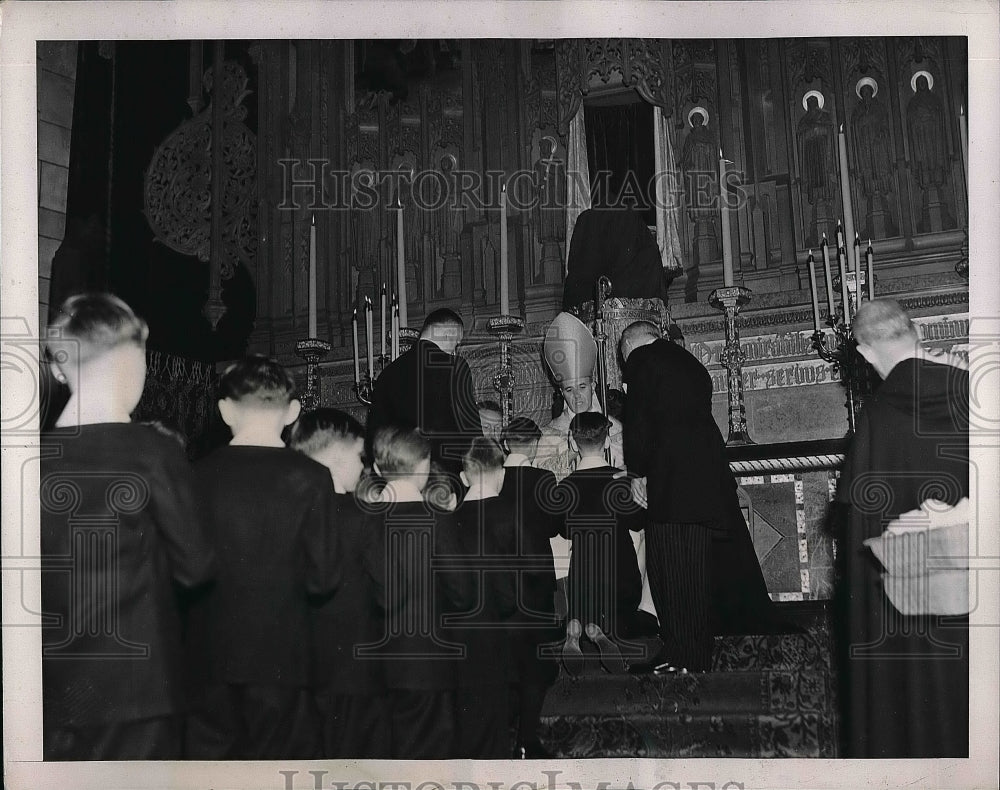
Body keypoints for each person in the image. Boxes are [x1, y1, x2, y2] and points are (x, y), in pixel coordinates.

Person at [40, 293, 215, 761]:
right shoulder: (152, 451)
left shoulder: (27, 460)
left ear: (60, 369)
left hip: (47, 692)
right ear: (133, 362)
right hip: (140, 691)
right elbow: (196, 567)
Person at [185, 356, 341, 760]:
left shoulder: (196, 475)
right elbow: (324, 579)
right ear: (293, 412)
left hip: (207, 659)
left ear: (224, 410)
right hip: (284, 660)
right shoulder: (311, 478)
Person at [834, 298, 969, 758]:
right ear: (918, 332)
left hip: (906, 606)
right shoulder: (973, 393)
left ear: (865, 353)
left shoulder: (876, 416)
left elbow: (860, 533)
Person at [620, 320, 776, 672]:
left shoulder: (642, 360)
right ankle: (694, 655)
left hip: (671, 484)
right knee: (695, 574)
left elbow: (639, 419)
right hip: (708, 482)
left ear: (630, 345)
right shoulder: (690, 363)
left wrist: (636, 472)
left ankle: (683, 658)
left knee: (673, 576)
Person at [361, 425, 469, 759]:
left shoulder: (361, 520)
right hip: (428, 663)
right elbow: (463, 594)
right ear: (424, 467)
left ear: (378, 470)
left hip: (368, 666)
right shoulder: (437, 519)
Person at [288, 408, 388, 759]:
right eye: (358, 457)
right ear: (334, 456)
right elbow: (388, 591)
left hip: (299, 665)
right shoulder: (363, 517)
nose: (363, 467)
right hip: (356, 667)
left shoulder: (287, 512)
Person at [443, 438, 518, 758]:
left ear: (462, 478)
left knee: (466, 712)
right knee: (495, 714)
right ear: (501, 474)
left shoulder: (449, 519)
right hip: (496, 628)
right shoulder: (507, 514)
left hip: (457, 631)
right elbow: (512, 584)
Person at [558, 413, 646, 675]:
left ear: (573, 445)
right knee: (622, 607)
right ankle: (606, 635)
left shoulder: (568, 484)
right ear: (607, 442)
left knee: (585, 603)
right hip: (620, 568)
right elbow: (637, 521)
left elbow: (564, 531)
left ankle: (578, 629)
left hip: (583, 571)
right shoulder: (621, 480)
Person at [498, 417, 563, 758]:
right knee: (536, 658)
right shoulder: (543, 478)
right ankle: (527, 738)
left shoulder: (493, 478)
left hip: (500, 581)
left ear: (506, 443)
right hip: (536, 577)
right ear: (535, 445)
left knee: (506, 657)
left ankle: (503, 736)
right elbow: (555, 526)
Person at [367, 308, 482, 493]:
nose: (455, 348)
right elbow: (471, 429)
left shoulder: (388, 373)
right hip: (446, 480)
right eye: (456, 342)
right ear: (448, 333)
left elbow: (374, 433)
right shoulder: (455, 366)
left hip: (399, 477)